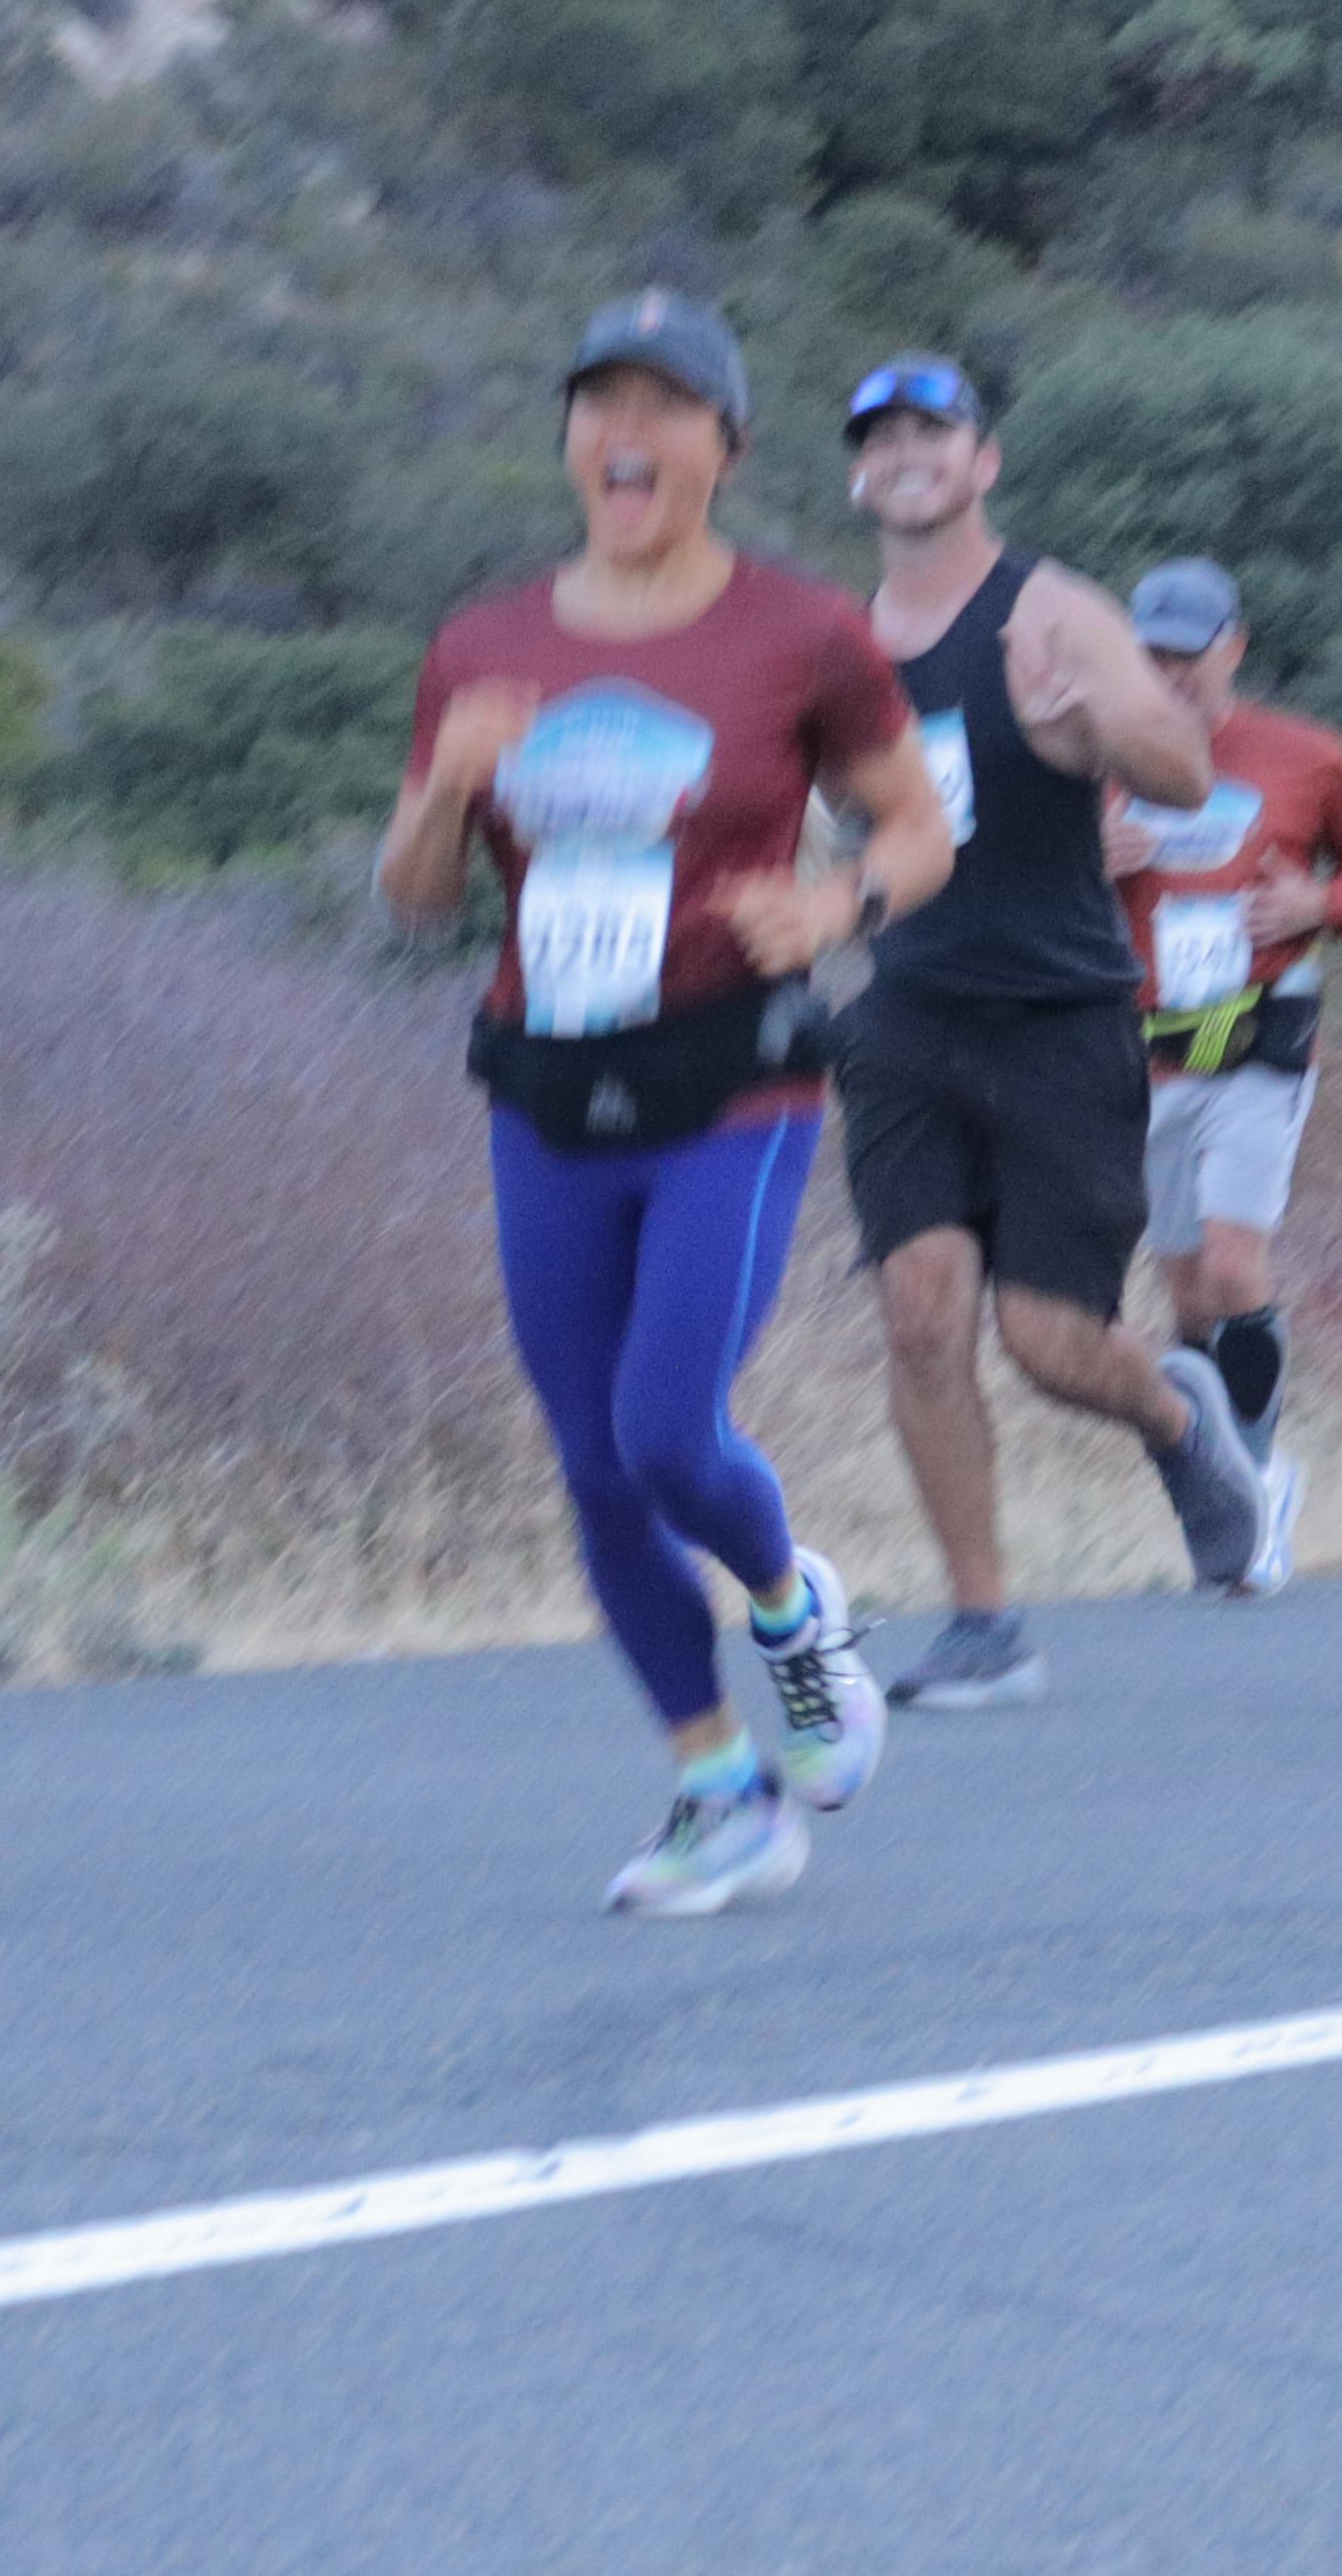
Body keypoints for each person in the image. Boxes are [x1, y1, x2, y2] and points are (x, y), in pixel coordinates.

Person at [385, 292, 956, 1918]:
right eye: (600, 405)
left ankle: (788, 1610)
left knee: (663, 1429)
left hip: (734, 1078)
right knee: (592, 1466)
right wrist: (445, 785)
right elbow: (419, 896)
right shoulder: (481, 644)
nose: (626, 435)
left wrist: (837, 904)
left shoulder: (801, 635)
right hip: (549, 1083)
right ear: (571, 439)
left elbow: (918, 829)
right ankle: (720, 1790)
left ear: (726, 445)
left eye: (665, 408)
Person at [827, 356, 1274, 1708]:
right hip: (907, 1012)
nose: (907, 453)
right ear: (858, 474)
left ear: (984, 463)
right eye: (882, 437)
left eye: (934, 431)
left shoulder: (1055, 613)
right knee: (920, 1311)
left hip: (1060, 1016)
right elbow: (820, 822)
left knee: (1047, 1340)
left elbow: (1186, 771)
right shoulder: (840, 650)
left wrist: (1094, 730)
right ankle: (985, 1624)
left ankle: (1179, 1419)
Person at [1101, 557, 1342, 1593]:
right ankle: (1230, 1484)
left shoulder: (1306, 755)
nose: (1170, 672)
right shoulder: (1094, 756)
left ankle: (1263, 1484)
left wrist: (1322, 907)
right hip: (1143, 1051)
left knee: (1236, 1269)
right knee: (1187, 1296)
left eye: (1189, 653)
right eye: (1152, 654)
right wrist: (1086, 862)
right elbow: (1023, 888)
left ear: (1233, 647)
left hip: (1259, 1043)